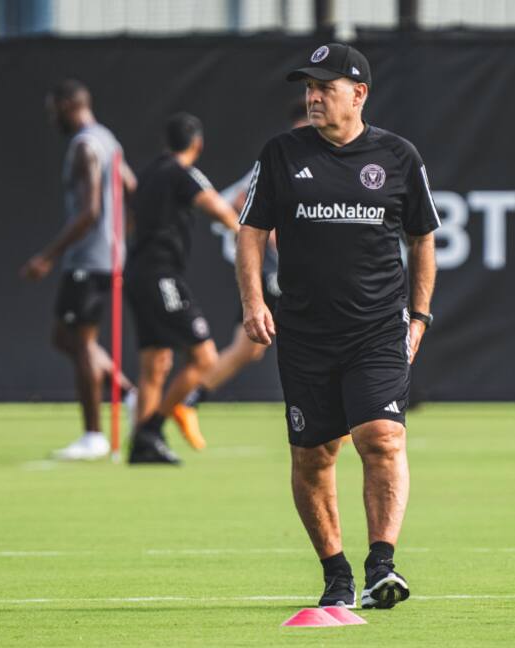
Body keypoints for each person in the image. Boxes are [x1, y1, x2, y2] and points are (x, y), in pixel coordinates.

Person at [237, 43, 439, 609]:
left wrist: (419, 316)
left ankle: (382, 565)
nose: (314, 95)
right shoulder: (280, 154)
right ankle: (336, 573)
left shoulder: (399, 156)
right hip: (304, 334)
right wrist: (254, 302)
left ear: (359, 94)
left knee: (382, 437)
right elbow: (249, 231)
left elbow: (423, 239)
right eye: (309, 86)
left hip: (376, 331)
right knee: (314, 456)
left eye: (325, 86)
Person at [21, 80, 137, 461]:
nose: (51, 118)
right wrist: (121, 236)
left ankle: (93, 436)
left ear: (70, 104)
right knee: (64, 337)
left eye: (54, 109)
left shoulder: (86, 145)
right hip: (106, 256)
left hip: (89, 260)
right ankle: (129, 395)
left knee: (81, 342)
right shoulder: (108, 140)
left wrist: (48, 256)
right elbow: (130, 185)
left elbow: (89, 212)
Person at [177, 102, 310, 433]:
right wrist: (276, 239)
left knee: (249, 349)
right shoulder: (285, 158)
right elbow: (239, 200)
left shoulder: (325, 161)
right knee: (291, 340)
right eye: (301, 128)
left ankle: (188, 400)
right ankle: (188, 400)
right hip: (276, 274)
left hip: (292, 273)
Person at [124, 113, 239, 463]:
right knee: (205, 358)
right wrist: (245, 233)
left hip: (138, 272)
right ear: (197, 144)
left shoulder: (146, 174)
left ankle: (142, 447)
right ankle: (152, 427)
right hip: (162, 275)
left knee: (154, 363)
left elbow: (130, 221)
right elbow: (216, 207)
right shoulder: (182, 173)